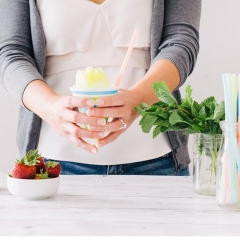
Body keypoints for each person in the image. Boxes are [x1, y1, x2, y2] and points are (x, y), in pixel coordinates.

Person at [0, 0, 201, 175]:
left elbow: (181, 43)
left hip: (158, 163)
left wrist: (138, 100)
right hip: (52, 166)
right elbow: (11, 53)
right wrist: (51, 107)